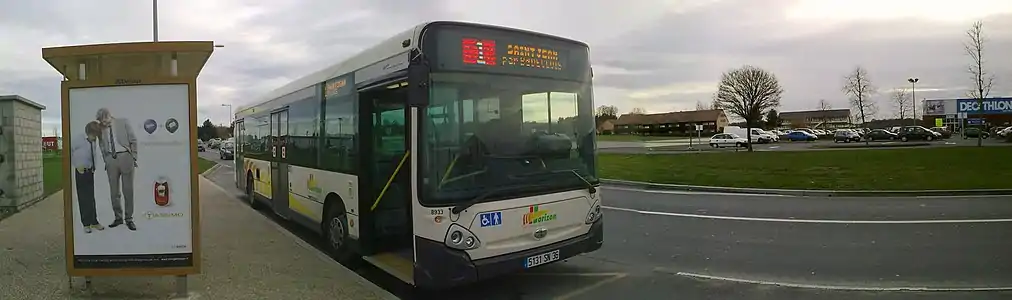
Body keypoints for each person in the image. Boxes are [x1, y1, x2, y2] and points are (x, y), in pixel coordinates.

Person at [95, 108, 138, 231]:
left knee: (128, 190)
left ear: (109, 116)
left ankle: (129, 219)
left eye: (105, 120)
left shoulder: (123, 122)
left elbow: (133, 140)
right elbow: (102, 145)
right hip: (111, 160)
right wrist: (106, 160)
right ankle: (118, 218)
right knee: (114, 192)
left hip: (125, 156)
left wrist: (133, 156)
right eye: (101, 122)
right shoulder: (101, 129)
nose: (104, 124)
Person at [72, 121, 105, 233]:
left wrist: (94, 167)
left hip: (90, 172)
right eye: (94, 135)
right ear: (89, 132)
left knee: (91, 198)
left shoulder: (92, 141)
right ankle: (86, 224)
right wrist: (76, 165)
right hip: (81, 172)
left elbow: (93, 154)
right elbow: (68, 152)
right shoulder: (78, 139)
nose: (95, 138)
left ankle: (94, 221)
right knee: (83, 198)